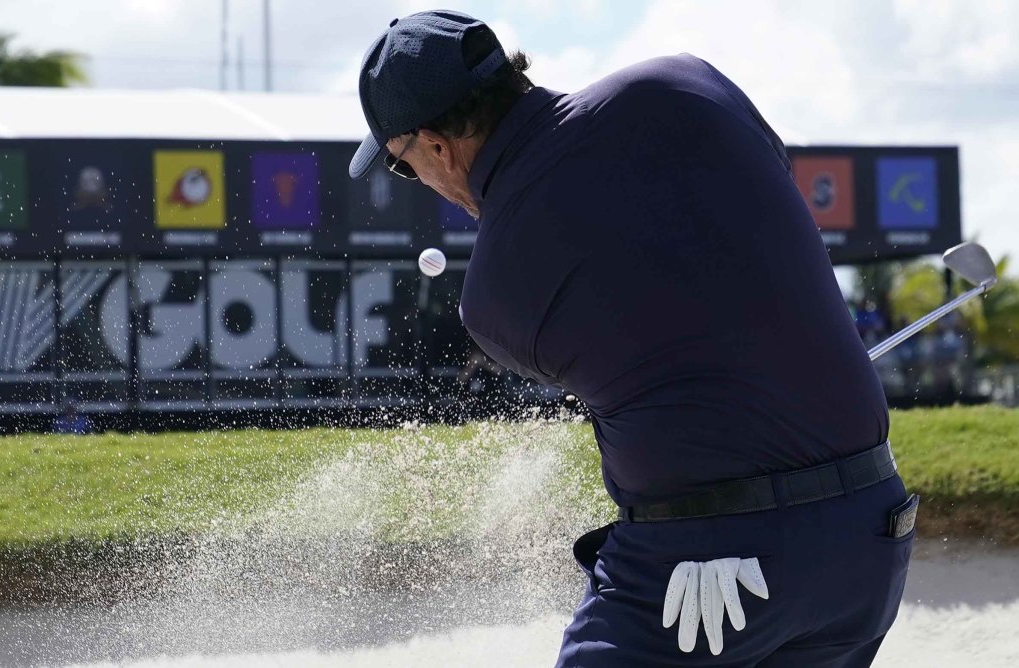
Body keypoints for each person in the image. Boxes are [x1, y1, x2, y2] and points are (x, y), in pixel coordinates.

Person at [349, 10, 916, 667]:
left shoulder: (497, 294)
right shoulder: (685, 83)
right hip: (872, 545)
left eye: (404, 166)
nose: (426, 184)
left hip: (708, 570)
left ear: (438, 147)